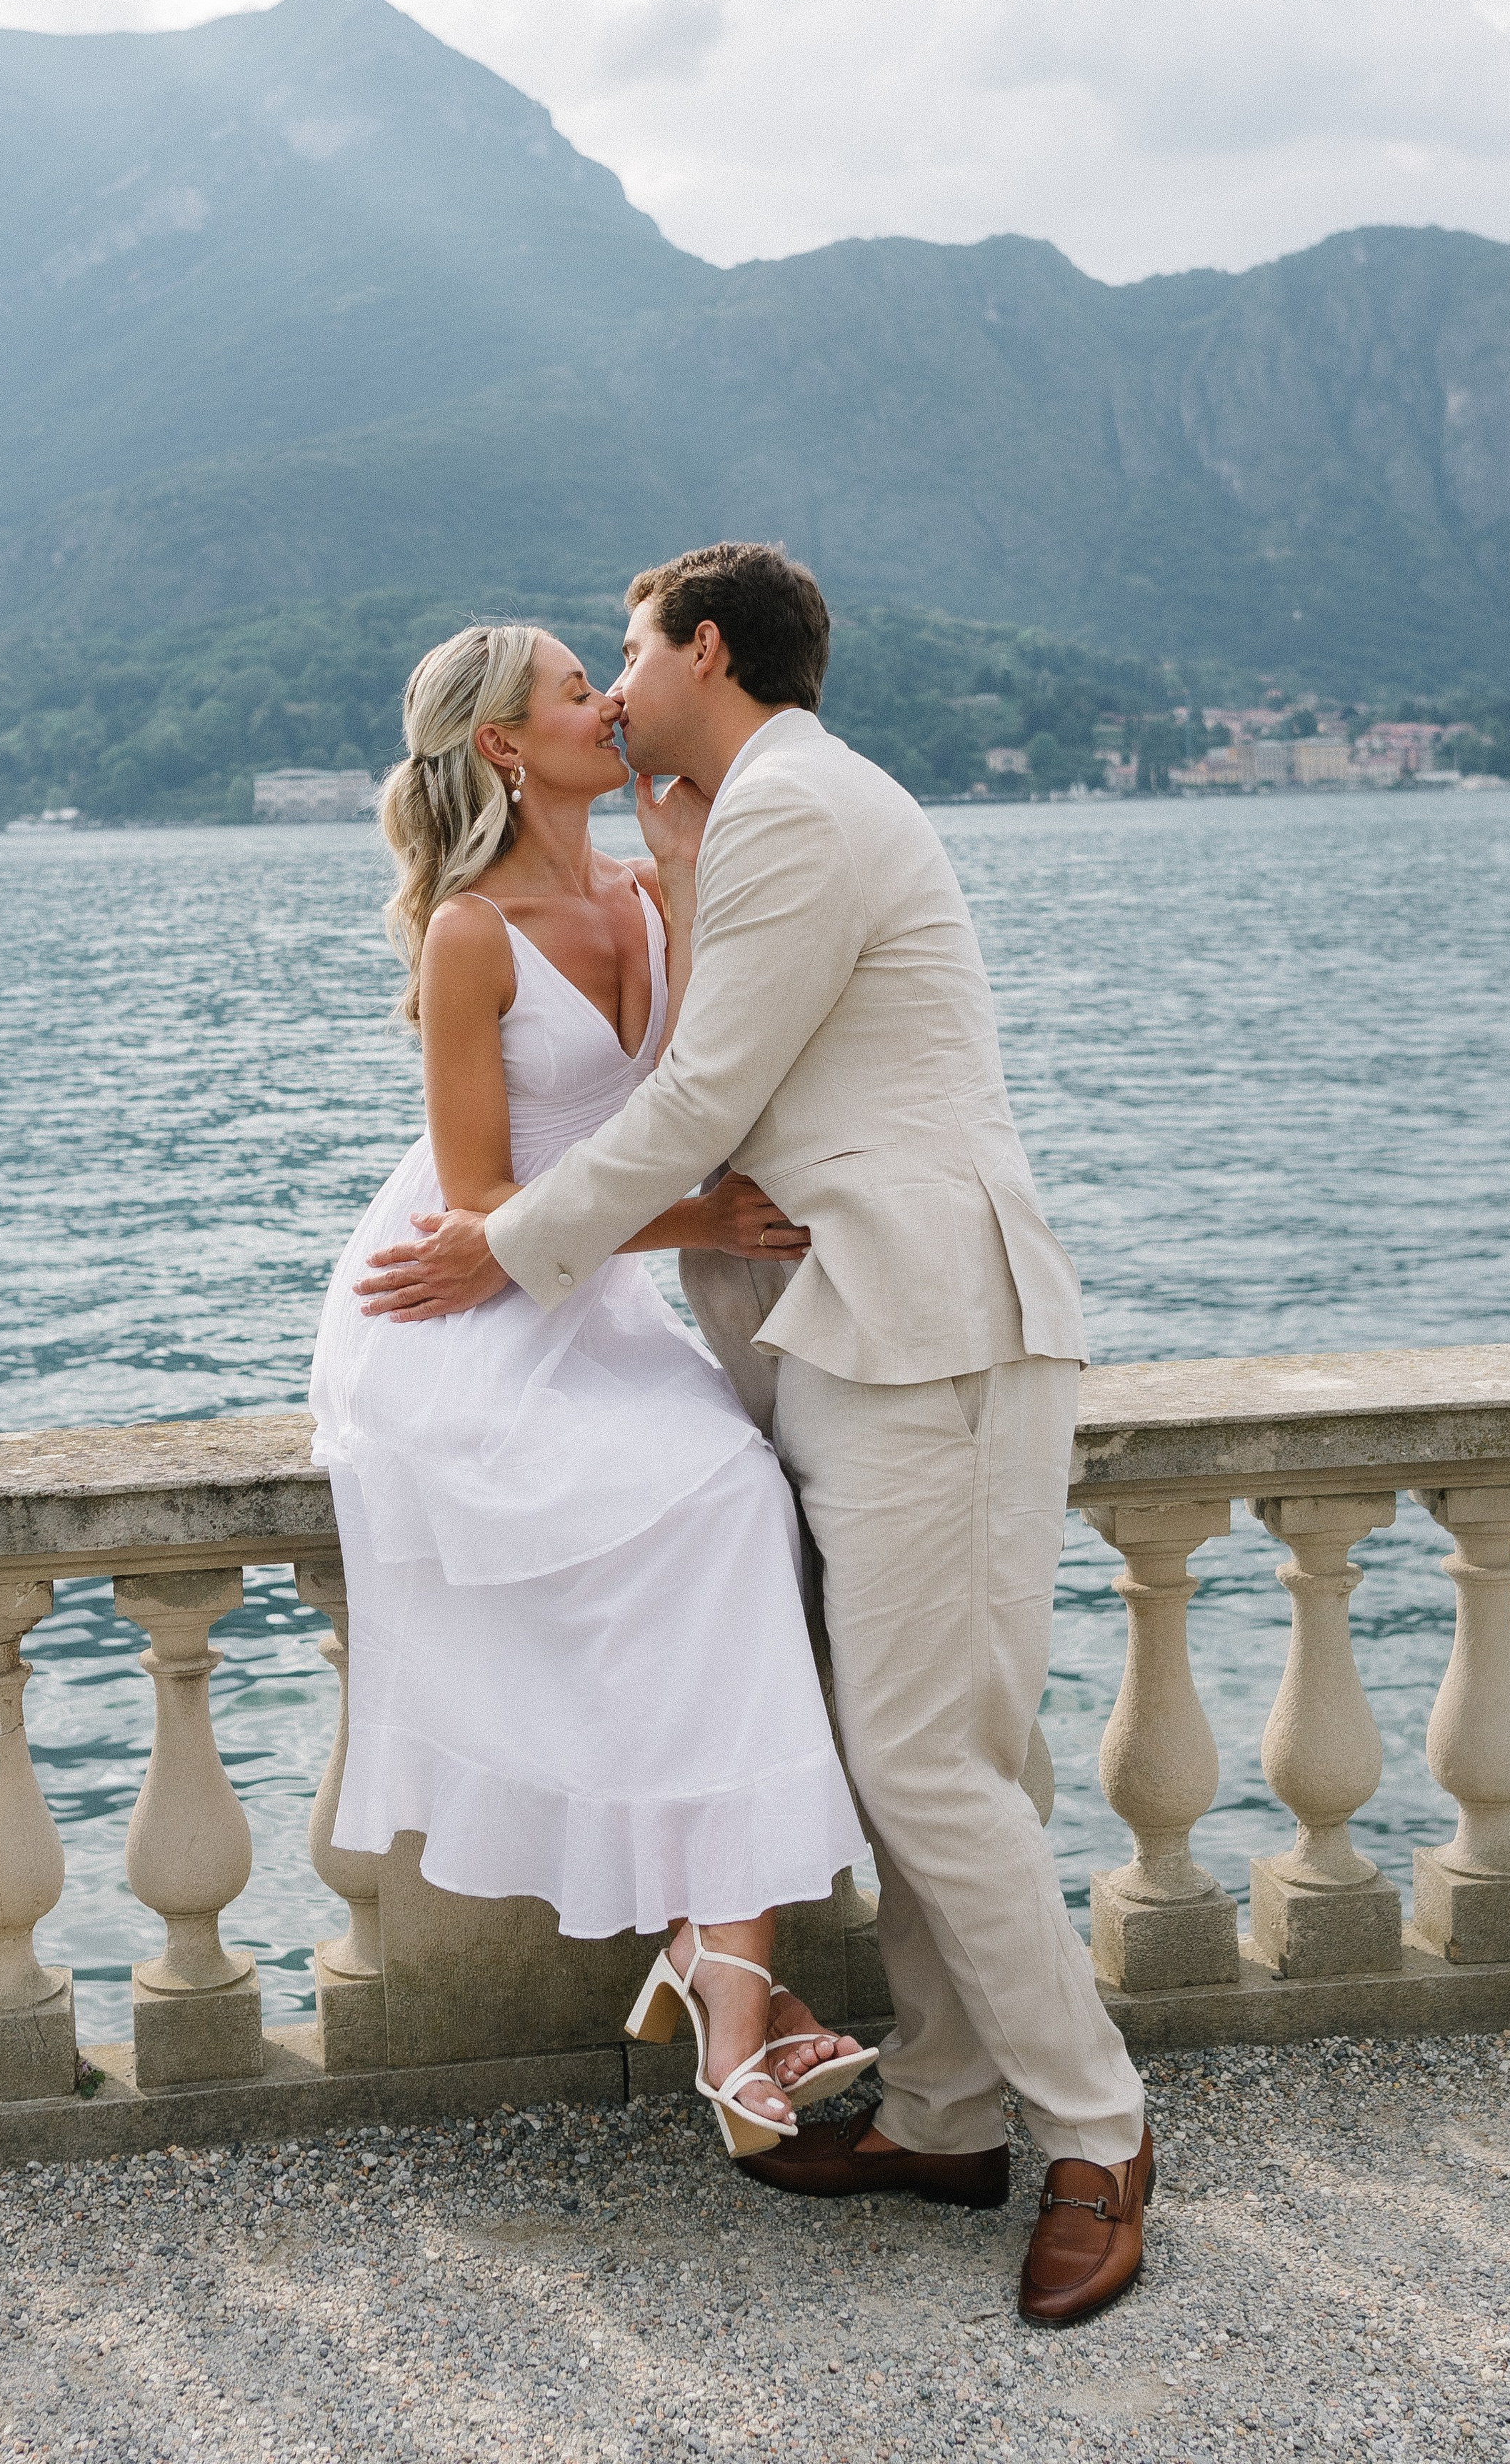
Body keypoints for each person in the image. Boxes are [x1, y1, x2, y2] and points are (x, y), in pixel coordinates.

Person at [356, 544, 1155, 2328]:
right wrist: (679, 847)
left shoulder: (796, 804)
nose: (613, 689)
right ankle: (948, 2117)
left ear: (700, 648)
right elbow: (713, 1059)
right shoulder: (750, 816)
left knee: (933, 1768)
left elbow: (706, 1098)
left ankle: (1098, 2136)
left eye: (625, 652)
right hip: (860, 1336)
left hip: (921, 1333)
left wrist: (498, 1248)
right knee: (928, 1761)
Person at [309, 618, 876, 2160]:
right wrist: (698, 1224)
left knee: (740, 1508)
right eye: (577, 689)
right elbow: (485, 1201)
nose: (608, 701)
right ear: (505, 743)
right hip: (464, 1309)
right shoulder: (468, 936)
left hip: (597, 1301)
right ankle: (733, 1991)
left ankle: (716, 1963)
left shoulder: (638, 890)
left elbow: (710, 1086)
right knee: (713, 1504)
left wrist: (681, 865)